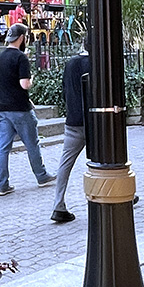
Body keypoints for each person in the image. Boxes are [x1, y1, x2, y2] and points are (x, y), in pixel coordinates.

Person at [0, 23, 53, 196]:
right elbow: (24, 84)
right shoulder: (21, 58)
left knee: (3, 147)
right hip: (20, 107)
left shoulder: (0, 57)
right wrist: (32, 79)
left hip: (2, 107)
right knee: (32, 143)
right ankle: (41, 176)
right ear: (21, 38)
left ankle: (2, 184)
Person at [51, 39, 90, 223]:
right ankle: (119, 194)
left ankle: (58, 204)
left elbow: (65, 90)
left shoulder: (70, 63)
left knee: (65, 164)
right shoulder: (95, 64)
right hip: (93, 122)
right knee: (108, 161)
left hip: (73, 120)